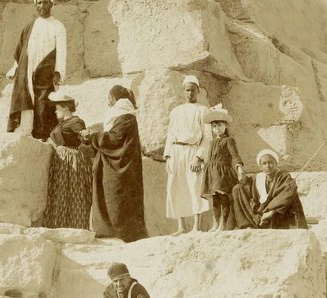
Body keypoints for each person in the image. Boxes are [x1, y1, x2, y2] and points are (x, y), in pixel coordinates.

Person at [83, 85, 147, 243]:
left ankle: (120, 233)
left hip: (120, 168)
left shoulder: (125, 116)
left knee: (116, 199)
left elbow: (114, 140)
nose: (107, 101)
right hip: (116, 165)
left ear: (114, 98)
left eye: (109, 97)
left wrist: (92, 136)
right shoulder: (123, 116)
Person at [6, 0, 67, 140]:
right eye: (39, 3)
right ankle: (24, 132)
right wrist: (15, 68)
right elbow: (21, 50)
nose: (42, 5)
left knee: (42, 103)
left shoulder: (58, 26)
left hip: (46, 70)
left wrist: (58, 71)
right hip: (26, 70)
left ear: (51, 4)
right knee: (25, 98)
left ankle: (41, 136)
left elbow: (62, 52)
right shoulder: (29, 26)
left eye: (45, 2)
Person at [162, 75, 213, 233]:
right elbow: (170, 135)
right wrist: (168, 156)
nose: (190, 93)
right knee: (176, 186)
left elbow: (208, 138)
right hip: (177, 152)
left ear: (198, 91)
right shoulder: (176, 112)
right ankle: (181, 226)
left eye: (193, 90)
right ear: (183, 91)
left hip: (193, 152)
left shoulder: (203, 111)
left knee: (194, 185)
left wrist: (199, 157)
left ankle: (196, 226)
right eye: (187, 90)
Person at [41, 91, 94, 230]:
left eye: (57, 107)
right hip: (61, 159)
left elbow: (82, 134)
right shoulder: (62, 123)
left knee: (74, 192)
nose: (55, 110)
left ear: (65, 107)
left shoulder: (76, 121)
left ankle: (76, 227)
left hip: (71, 159)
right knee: (61, 192)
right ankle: (59, 225)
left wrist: (85, 135)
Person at [232, 148, 309, 230]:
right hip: (263, 213)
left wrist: (272, 211)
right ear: (260, 167)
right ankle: (249, 224)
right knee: (237, 188)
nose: (268, 166)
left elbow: (287, 194)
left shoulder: (284, 177)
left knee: (291, 193)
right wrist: (243, 178)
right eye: (264, 164)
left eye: (270, 163)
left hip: (279, 214)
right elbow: (247, 187)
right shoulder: (257, 178)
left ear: (276, 163)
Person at [201, 107, 245, 230]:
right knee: (215, 199)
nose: (217, 128)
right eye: (214, 126)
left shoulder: (229, 140)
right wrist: (204, 166)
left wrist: (239, 168)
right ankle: (215, 223)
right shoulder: (212, 142)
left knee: (224, 198)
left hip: (223, 173)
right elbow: (210, 158)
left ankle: (223, 223)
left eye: (219, 125)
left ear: (225, 125)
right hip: (212, 173)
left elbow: (235, 156)